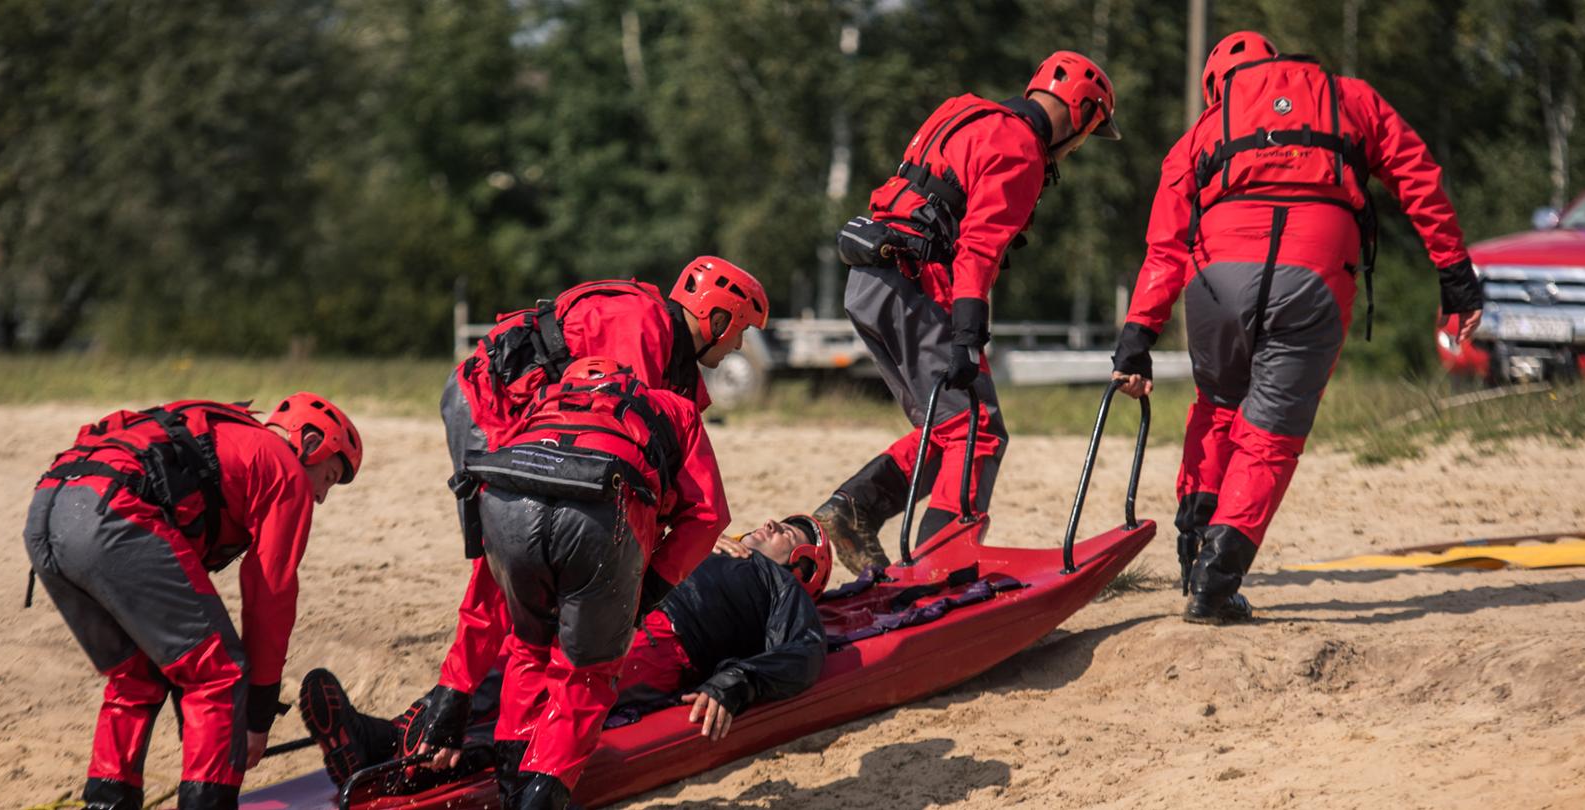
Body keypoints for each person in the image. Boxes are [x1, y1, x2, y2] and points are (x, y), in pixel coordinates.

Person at [1108, 31, 1484, 624]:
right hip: (1315, 268)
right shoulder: (1349, 96)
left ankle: (1194, 552)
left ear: (1218, 90)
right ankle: (1216, 582)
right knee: (1272, 431)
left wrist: (1137, 336)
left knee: (1218, 404)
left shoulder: (1205, 130)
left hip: (1216, 276)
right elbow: (1417, 175)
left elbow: (1165, 245)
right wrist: (1455, 273)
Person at [813, 51, 1121, 574]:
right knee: (979, 430)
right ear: (1082, 116)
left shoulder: (961, 110)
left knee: (946, 426)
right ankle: (943, 563)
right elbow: (979, 249)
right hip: (915, 285)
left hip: (868, 281)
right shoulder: (1023, 149)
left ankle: (852, 510)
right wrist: (967, 335)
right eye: (1091, 130)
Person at [434, 257, 770, 725]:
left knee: (545, 565)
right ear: (718, 318)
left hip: (533, 422)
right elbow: (620, 453)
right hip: (490, 404)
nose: (738, 346)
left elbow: (659, 476)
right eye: (741, 332)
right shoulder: (642, 327)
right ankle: (454, 695)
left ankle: (491, 691)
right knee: (508, 557)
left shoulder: (672, 361)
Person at [297, 516, 832, 789]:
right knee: (507, 662)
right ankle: (387, 736)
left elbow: (805, 653)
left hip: (660, 639)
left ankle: (442, 764)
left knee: (557, 694)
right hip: (605, 606)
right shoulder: (711, 542)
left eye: (787, 531)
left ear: (803, 566)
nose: (770, 525)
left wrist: (734, 681)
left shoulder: (779, 589)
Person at [412, 358, 729, 809]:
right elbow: (708, 515)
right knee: (585, 674)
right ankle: (539, 796)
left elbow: (488, 588)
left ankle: (513, 790)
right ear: (628, 383)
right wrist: (649, 589)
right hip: (604, 511)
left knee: (527, 648)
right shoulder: (672, 407)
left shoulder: (537, 411)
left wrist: (454, 686)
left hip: (505, 505)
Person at [22, 393, 363, 810]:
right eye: (328, 477)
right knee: (218, 675)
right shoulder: (284, 468)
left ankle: (107, 801)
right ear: (309, 444)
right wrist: (256, 715)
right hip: (114, 514)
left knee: (137, 674)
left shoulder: (229, 441)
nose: (321, 497)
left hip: (47, 514)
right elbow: (270, 595)